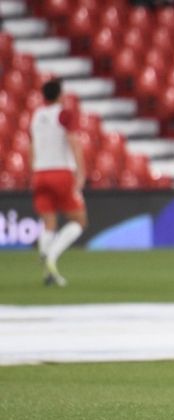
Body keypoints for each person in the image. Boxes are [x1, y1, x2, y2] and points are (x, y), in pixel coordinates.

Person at [28, 78, 86, 287]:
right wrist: (81, 172)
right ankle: (51, 257)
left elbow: (31, 147)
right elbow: (73, 141)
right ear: (60, 94)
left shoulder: (35, 116)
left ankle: (46, 265)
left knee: (49, 223)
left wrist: (32, 173)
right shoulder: (64, 114)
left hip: (39, 173)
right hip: (61, 172)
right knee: (78, 221)